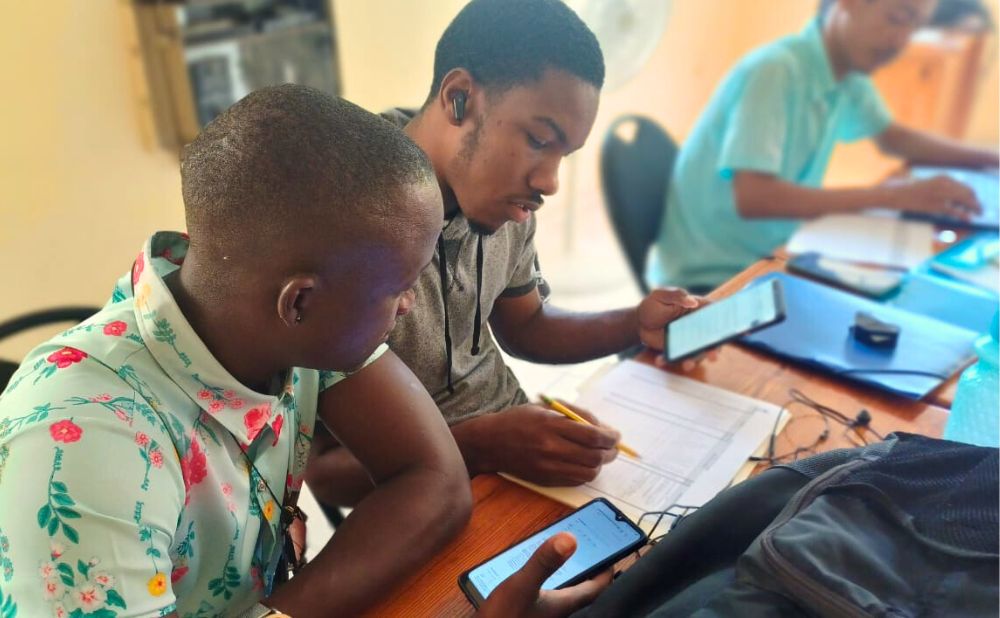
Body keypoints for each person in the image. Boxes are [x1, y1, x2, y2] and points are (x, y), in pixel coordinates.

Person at [0, 85, 481, 618]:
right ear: (298, 302)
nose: (409, 305)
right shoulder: (88, 440)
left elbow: (436, 480)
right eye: (400, 288)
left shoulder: (277, 322)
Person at [305, 0, 704, 507]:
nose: (550, 181)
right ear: (459, 98)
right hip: (420, 496)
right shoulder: (344, 220)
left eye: (563, 155)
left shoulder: (506, 201)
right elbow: (325, 474)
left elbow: (527, 326)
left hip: (513, 456)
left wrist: (636, 323)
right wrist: (482, 445)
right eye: (539, 139)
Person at [648, 0, 1000, 292]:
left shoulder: (845, 75)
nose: (901, 42)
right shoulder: (775, 71)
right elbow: (755, 198)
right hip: (717, 276)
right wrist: (894, 196)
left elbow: (894, 137)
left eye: (915, 27)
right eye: (897, 18)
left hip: (778, 250)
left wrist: (989, 157)